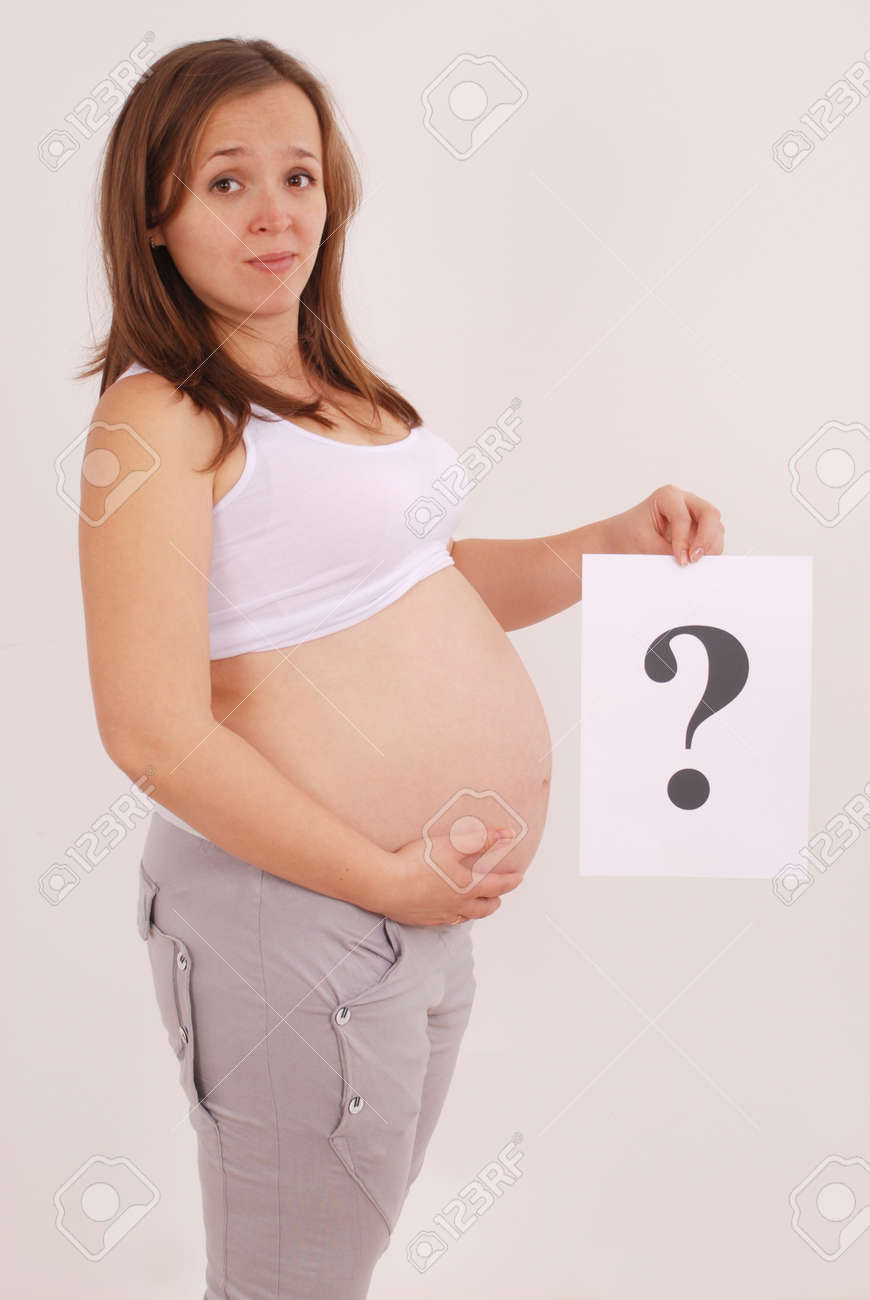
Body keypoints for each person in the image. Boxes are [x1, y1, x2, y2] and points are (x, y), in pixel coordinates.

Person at [76, 36, 724, 1300]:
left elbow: (413, 589)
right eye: (226, 182)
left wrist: (607, 544)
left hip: (409, 914)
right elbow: (150, 730)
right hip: (298, 910)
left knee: (329, 1270)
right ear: (153, 214)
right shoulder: (159, 417)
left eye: (300, 176)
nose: (276, 213)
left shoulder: (336, 384)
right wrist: (382, 875)